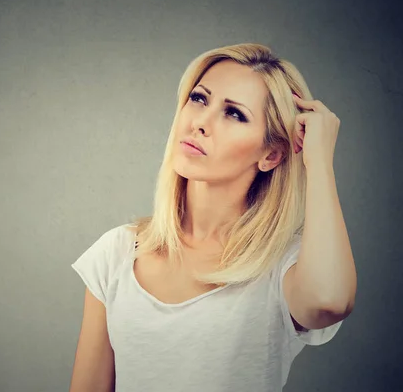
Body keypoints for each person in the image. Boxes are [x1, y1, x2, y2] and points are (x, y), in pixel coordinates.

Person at [68, 43, 356, 392]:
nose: (200, 122)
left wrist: (320, 162)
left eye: (234, 113)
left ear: (271, 155)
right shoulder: (117, 253)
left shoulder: (285, 266)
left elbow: (328, 303)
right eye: (199, 99)